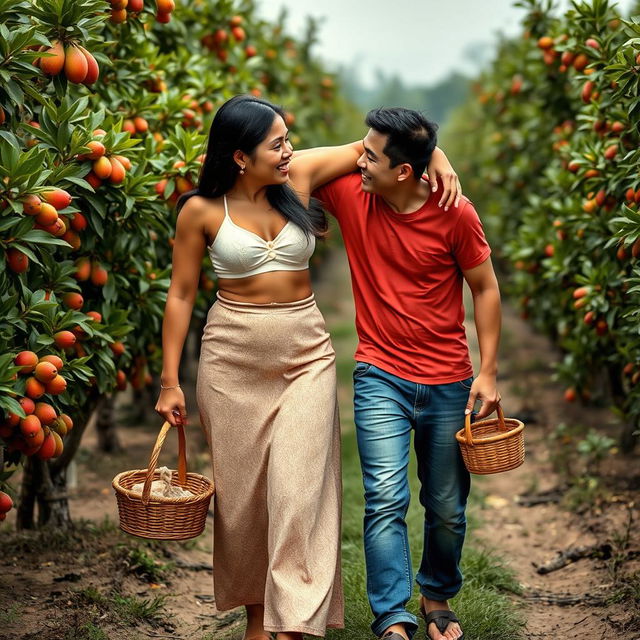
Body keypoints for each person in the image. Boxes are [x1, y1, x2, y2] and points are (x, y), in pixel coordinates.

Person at [154, 95, 461, 640]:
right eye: (277, 143)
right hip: (231, 358)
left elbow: (376, 151)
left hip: (305, 353)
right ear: (240, 157)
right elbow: (180, 296)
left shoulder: (296, 182)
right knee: (245, 502)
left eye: (288, 138)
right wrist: (170, 381)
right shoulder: (200, 211)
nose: (289, 150)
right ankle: (257, 619)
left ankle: (295, 622)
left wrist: (437, 158)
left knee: (300, 492)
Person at [313, 107, 502, 640]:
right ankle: (391, 615)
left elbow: (484, 289)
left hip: (448, 379)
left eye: (371, 155)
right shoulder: (354, 193)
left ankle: (437, 593)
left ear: (403, 172)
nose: (360, 160)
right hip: (380, 375)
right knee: (385, 498)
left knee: (446, 507)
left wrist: (488, 373)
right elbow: (288, 167)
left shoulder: (455, 213)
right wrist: (426, 152)